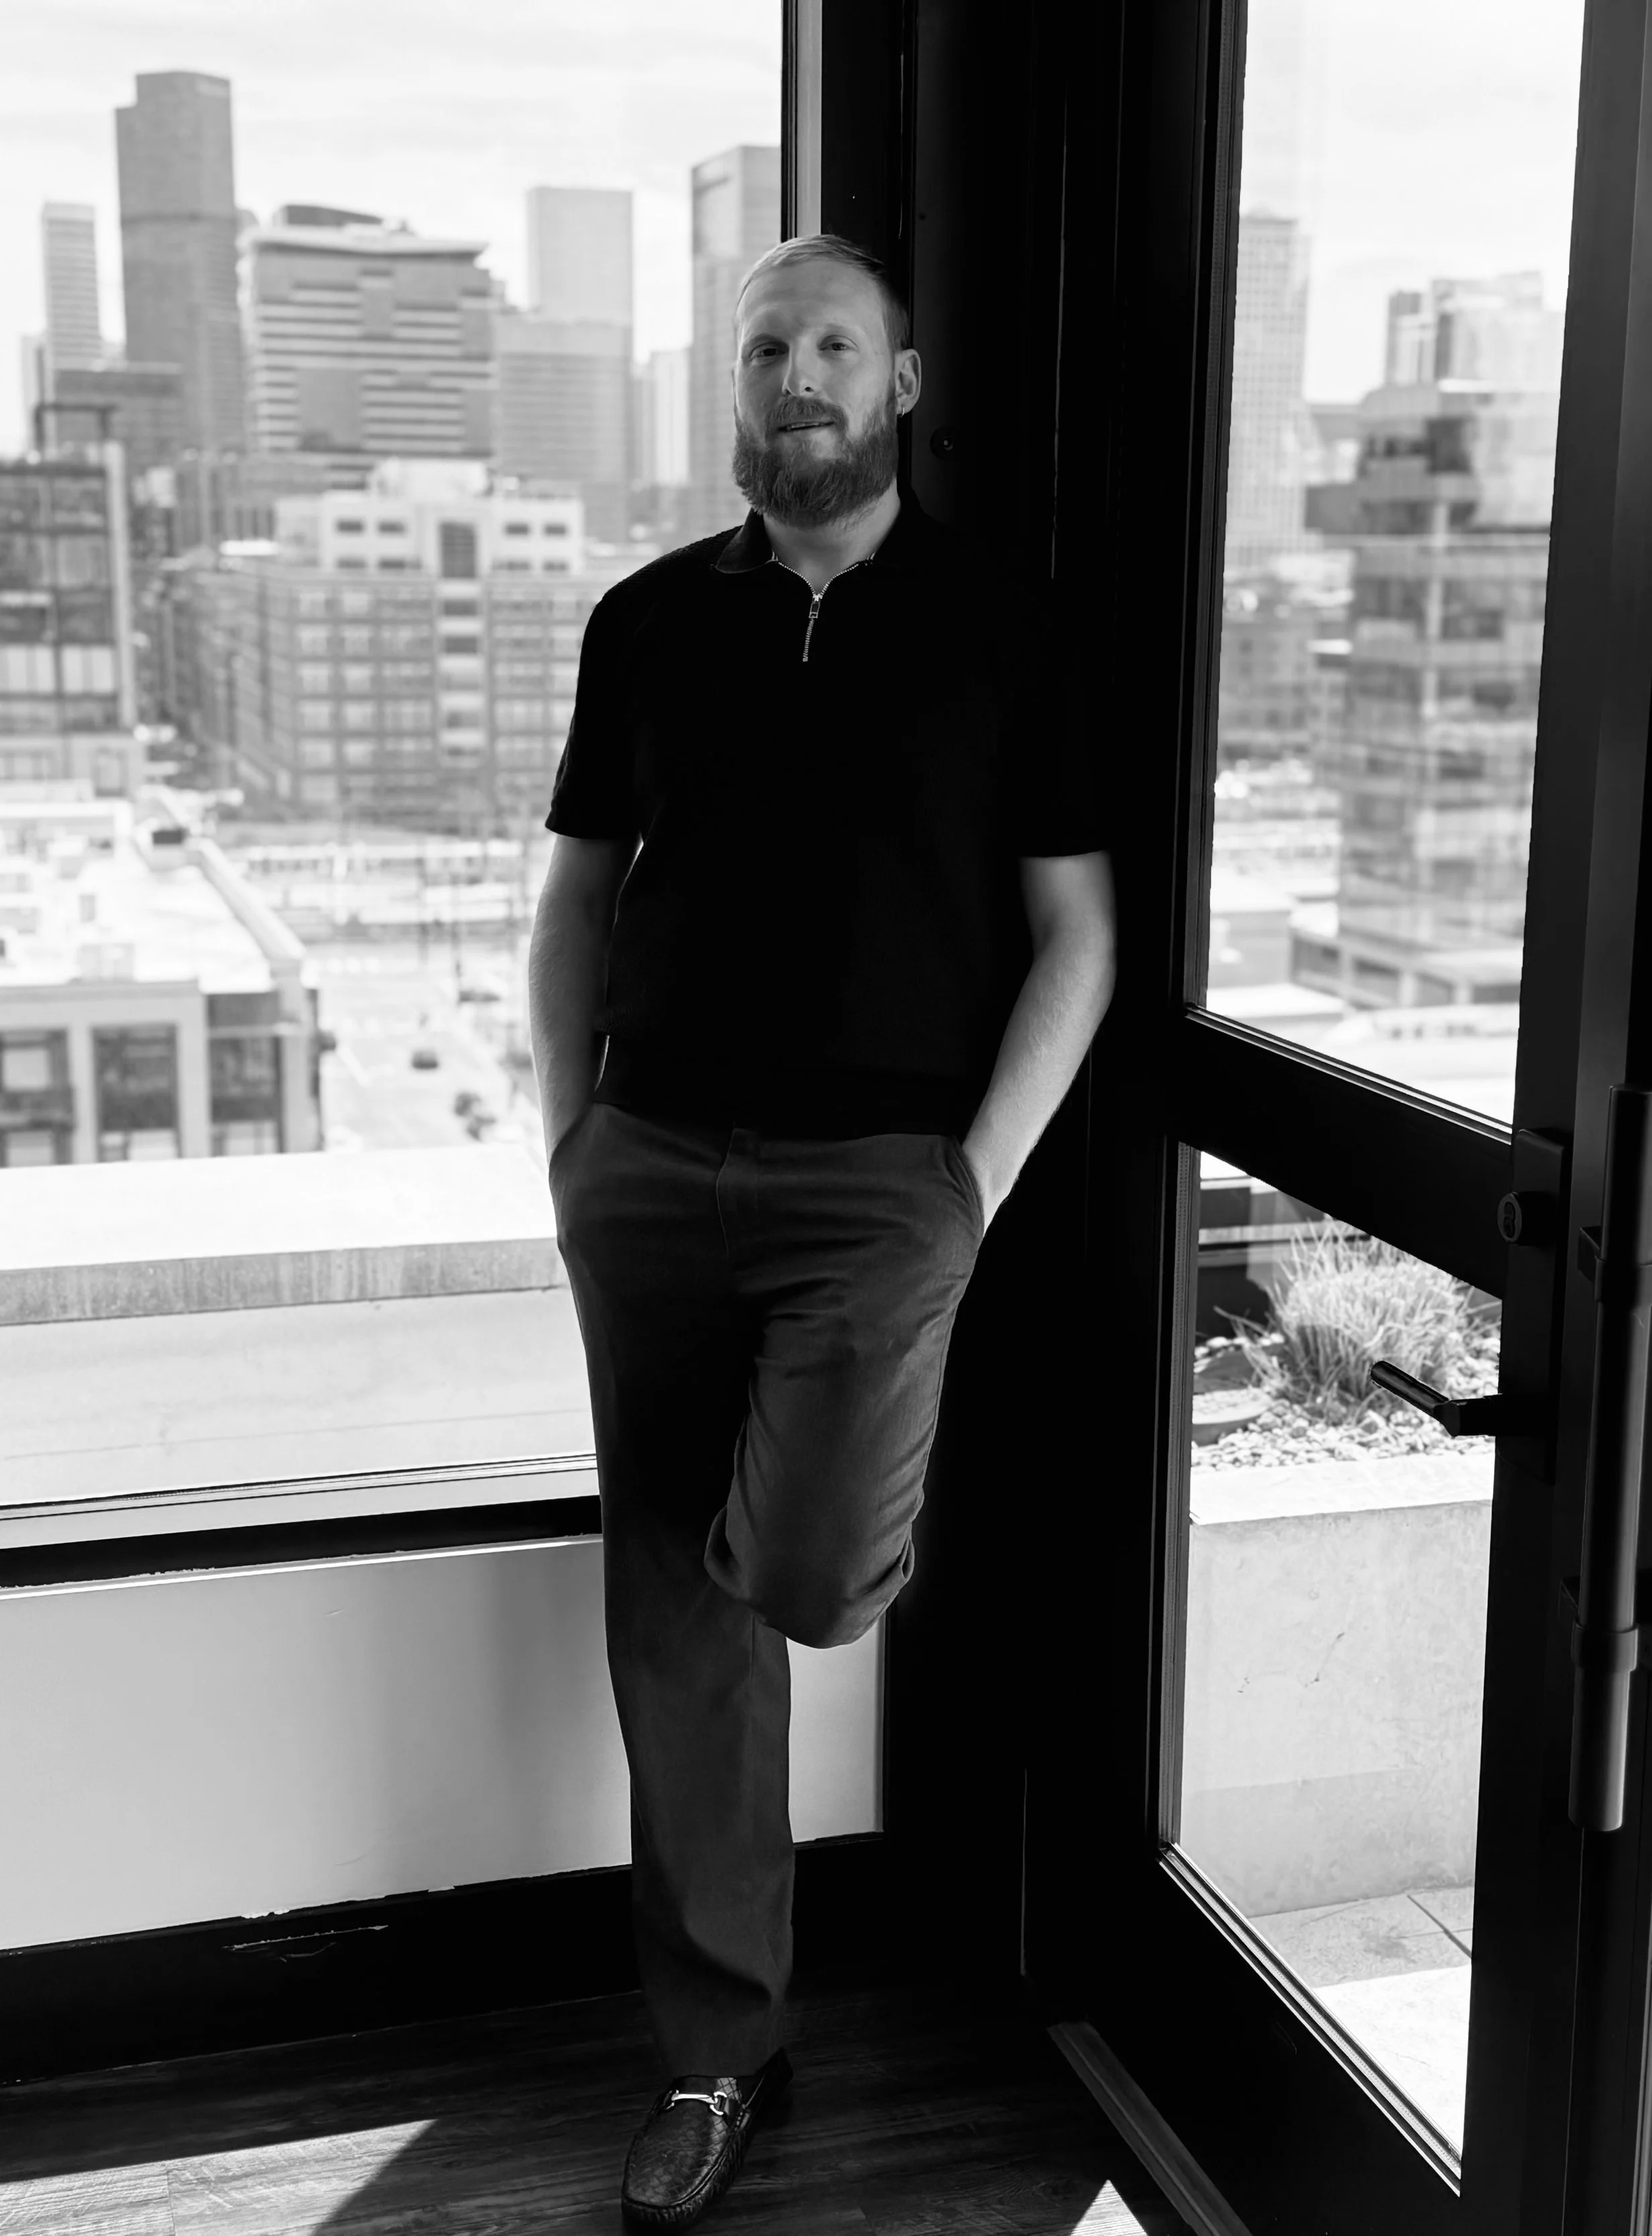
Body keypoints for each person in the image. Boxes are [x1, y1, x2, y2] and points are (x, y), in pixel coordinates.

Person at [528, 231, 1116, 2230]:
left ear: (903, 377)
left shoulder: (1004, 625)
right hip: (649, 1168)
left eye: (832, 342)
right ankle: (715, 2057)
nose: (796, 371)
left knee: (802, 1576)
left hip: (882, 1184)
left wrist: (967, 1188)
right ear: (738, 378)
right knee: (670, 1619)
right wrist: (567, 1143)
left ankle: (812, 1552)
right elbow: (575, 904)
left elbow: (1076, 937)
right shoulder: (646, 624)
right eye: (765, 341)